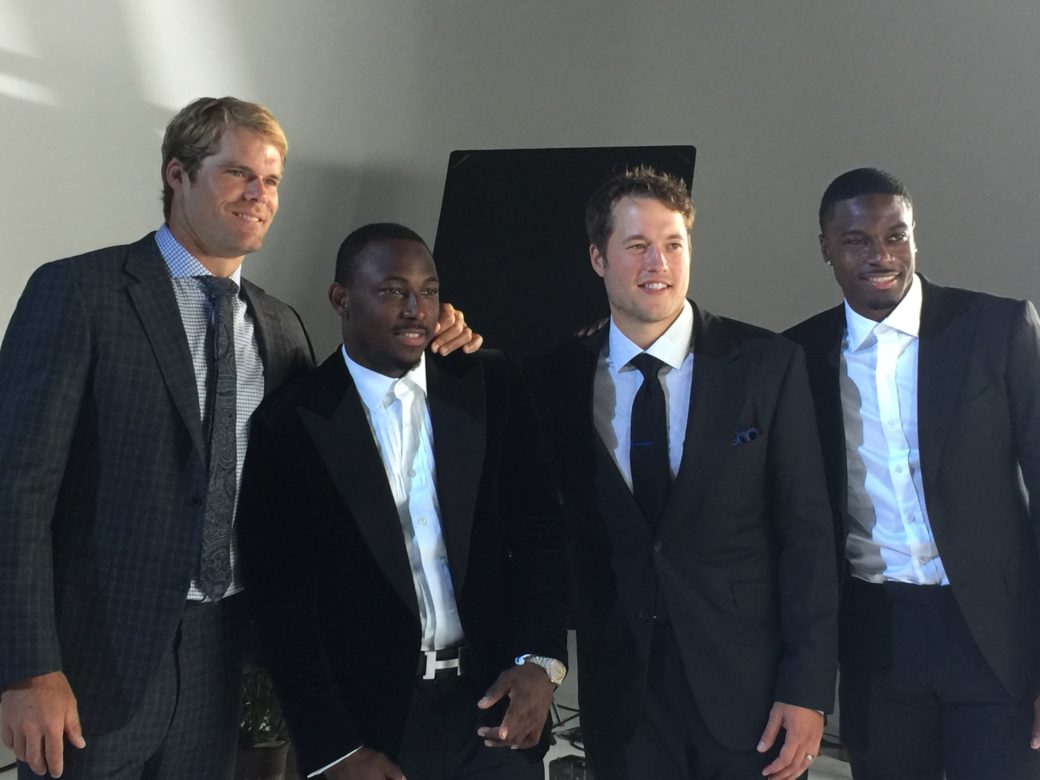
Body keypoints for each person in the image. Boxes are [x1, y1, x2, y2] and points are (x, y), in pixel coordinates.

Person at [0, 97, 478, 780]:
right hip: (88, 665)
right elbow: (15, 491)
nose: (260, 196)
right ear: (177, 175)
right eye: (238, 175)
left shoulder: (282, 328)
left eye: (272, 181)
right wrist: (27, 668)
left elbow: (331, 471)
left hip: (221, 658)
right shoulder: (81, 293)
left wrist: (429, 337)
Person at [525, 166, 838, 780]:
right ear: (598, 257)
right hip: (622, 694)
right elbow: (540, 531)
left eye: (673, 244)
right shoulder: (551, 379)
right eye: (637, 246)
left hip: (750, 696)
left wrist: (807, 689)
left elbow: (808, 535)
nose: (658, 264)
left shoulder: (767, 366)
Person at [236, 223, 568, 780]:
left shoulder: (490, 384)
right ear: (342, 299)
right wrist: (333, 748)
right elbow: (283, 604)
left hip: (495, 707)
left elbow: (541, 532)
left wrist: (542, 661)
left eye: (429, 290)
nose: (417, 308)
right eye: (393, 291)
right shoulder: (290, 422)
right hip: (372, 732)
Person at [784, 167, 1040, 780]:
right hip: (878, 639)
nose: (881, 255)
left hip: (997, 636)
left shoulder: (998, 330)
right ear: (826, 248)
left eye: (896, 236)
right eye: (857, 241)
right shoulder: (796, 358)